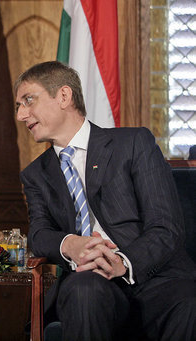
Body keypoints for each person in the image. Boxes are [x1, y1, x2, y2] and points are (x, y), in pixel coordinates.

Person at [16, 61, 196, 340]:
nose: (21, 114)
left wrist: (123, 262)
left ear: (64, 96)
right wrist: (70, 244)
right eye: (18, 106)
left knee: (189, 301)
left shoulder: (133, 143)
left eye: (28, 101)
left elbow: (166, 226)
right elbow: (38, 234)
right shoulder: (36, 174)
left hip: (155, 276)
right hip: (92, 281)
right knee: (83, 291)